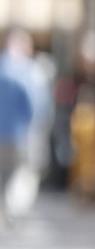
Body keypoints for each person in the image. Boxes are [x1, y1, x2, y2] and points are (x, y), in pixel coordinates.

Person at [0, 30, 35, 230]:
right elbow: (31, 107)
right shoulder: (24, 72)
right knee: (11, 175)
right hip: (14, 135)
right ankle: (6, 210)